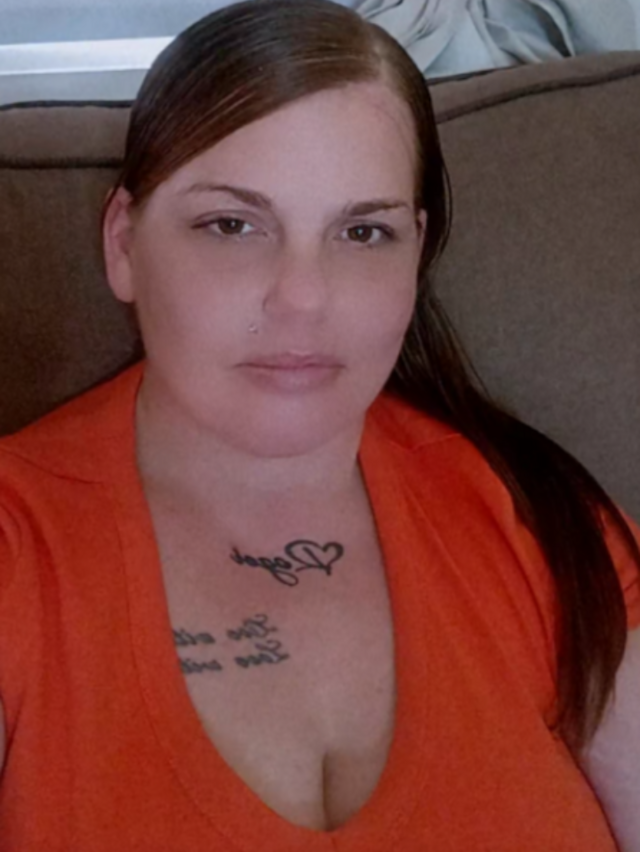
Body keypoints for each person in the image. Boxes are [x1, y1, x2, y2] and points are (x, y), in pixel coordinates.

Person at [0, 0, 638, 849]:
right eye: (233, 225)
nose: (303, 298)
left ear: (416, 251)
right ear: (124, 243)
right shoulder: (18, 541)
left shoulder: (541, 518)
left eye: (363, 231)